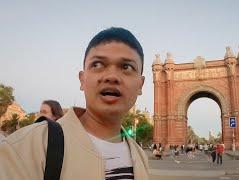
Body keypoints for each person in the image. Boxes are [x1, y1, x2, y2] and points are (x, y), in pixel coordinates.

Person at [0, 27, 149, 179]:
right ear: (82, 80)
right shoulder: (26, 148)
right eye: (97, 65)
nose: (111, 76)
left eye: (126, 67)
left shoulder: (140, 156)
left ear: (140, 85)